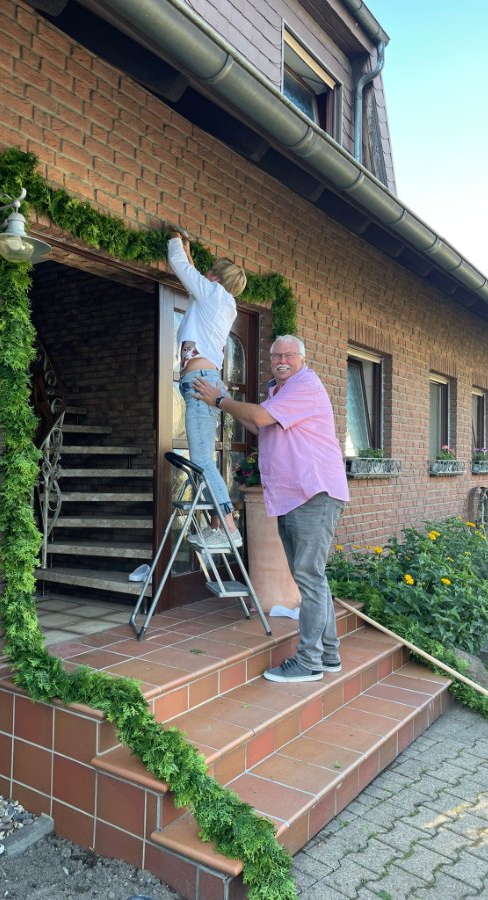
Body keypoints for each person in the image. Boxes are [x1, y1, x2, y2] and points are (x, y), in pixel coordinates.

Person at [192, 335, 350, 682]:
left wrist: (219, 399)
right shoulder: (279, 392)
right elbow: (259, 424)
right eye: (276, 355)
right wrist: (226, 403)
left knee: (309, 577)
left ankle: (309, 662)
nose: (281, 360)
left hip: (314, 494)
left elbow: (262, 418)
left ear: (302, 359)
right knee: (311, 577)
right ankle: (328, 655)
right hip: (295, 496)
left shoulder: (305, 385)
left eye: (289, 355)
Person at [167, 227, 247, 550]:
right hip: (203, 380)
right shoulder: (218, 302)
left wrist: (175, 240)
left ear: (216, 278)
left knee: (202, 458)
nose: (205, 274)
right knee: (204, 457)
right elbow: (193, 273)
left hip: (200, 382)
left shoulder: (214, 295)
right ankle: (220, 523)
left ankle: (227, 526)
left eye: (210, 271)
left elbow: (183, 269)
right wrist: (188, 248)